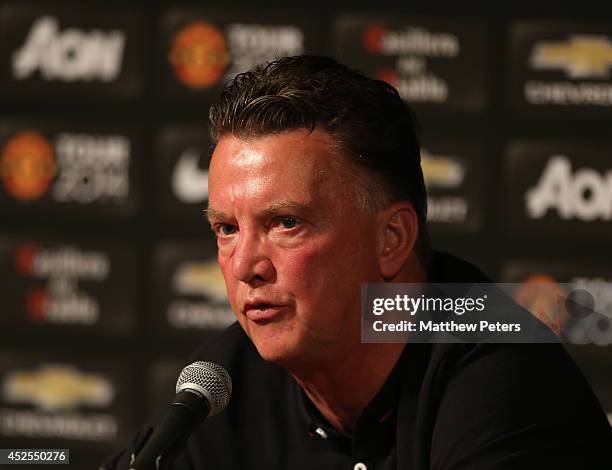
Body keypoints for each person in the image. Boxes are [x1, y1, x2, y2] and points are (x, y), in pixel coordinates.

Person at [103, 55, 611, 470]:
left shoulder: (504, 375)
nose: (245, 266)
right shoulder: (221, 386)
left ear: (392, 238)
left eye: (285, 223)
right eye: (227, 229)